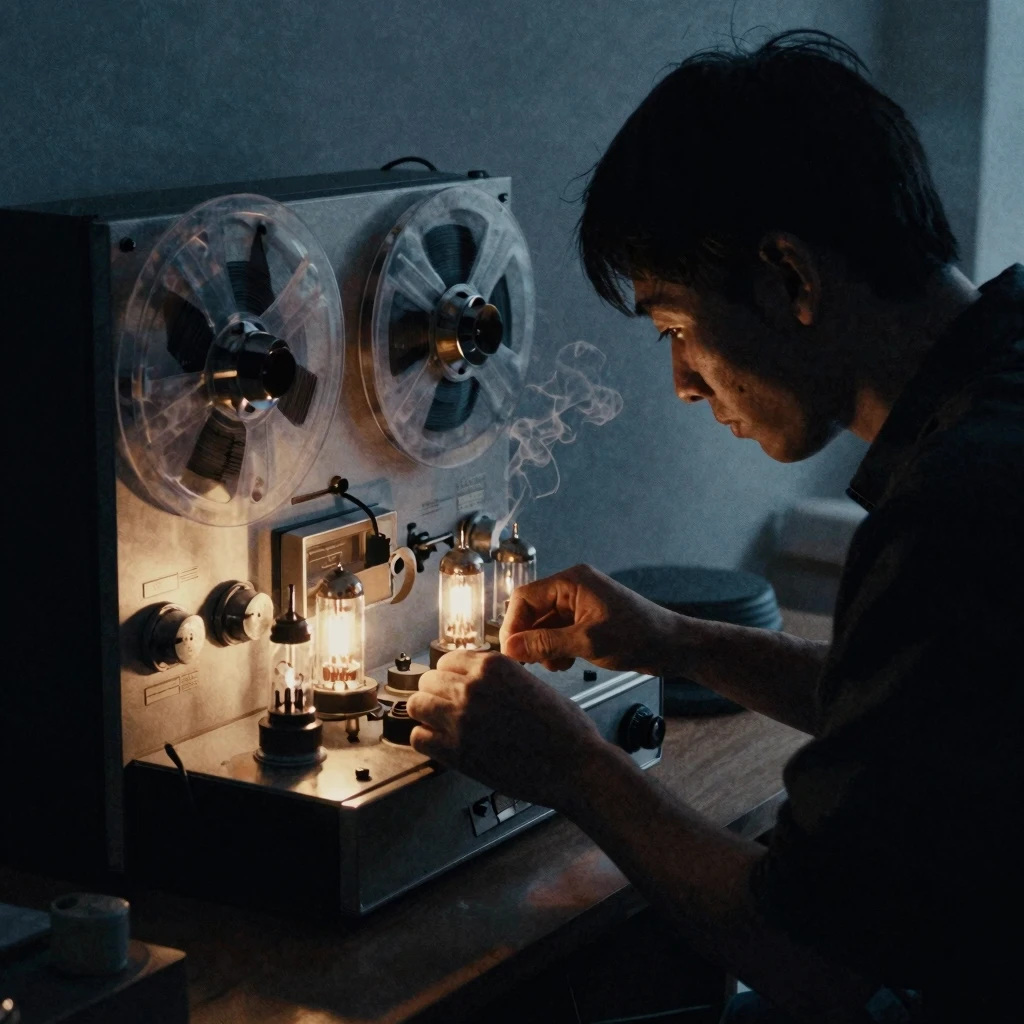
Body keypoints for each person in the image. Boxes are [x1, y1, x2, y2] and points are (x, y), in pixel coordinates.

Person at [406, 30, 1022, 1024]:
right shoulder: (1000, 386)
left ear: (790, 278)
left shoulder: (957, 506)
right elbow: (921, 718)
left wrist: (572, 765)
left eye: (678, 330)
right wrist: (674, 639)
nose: (685, 383)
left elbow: (812, 958)